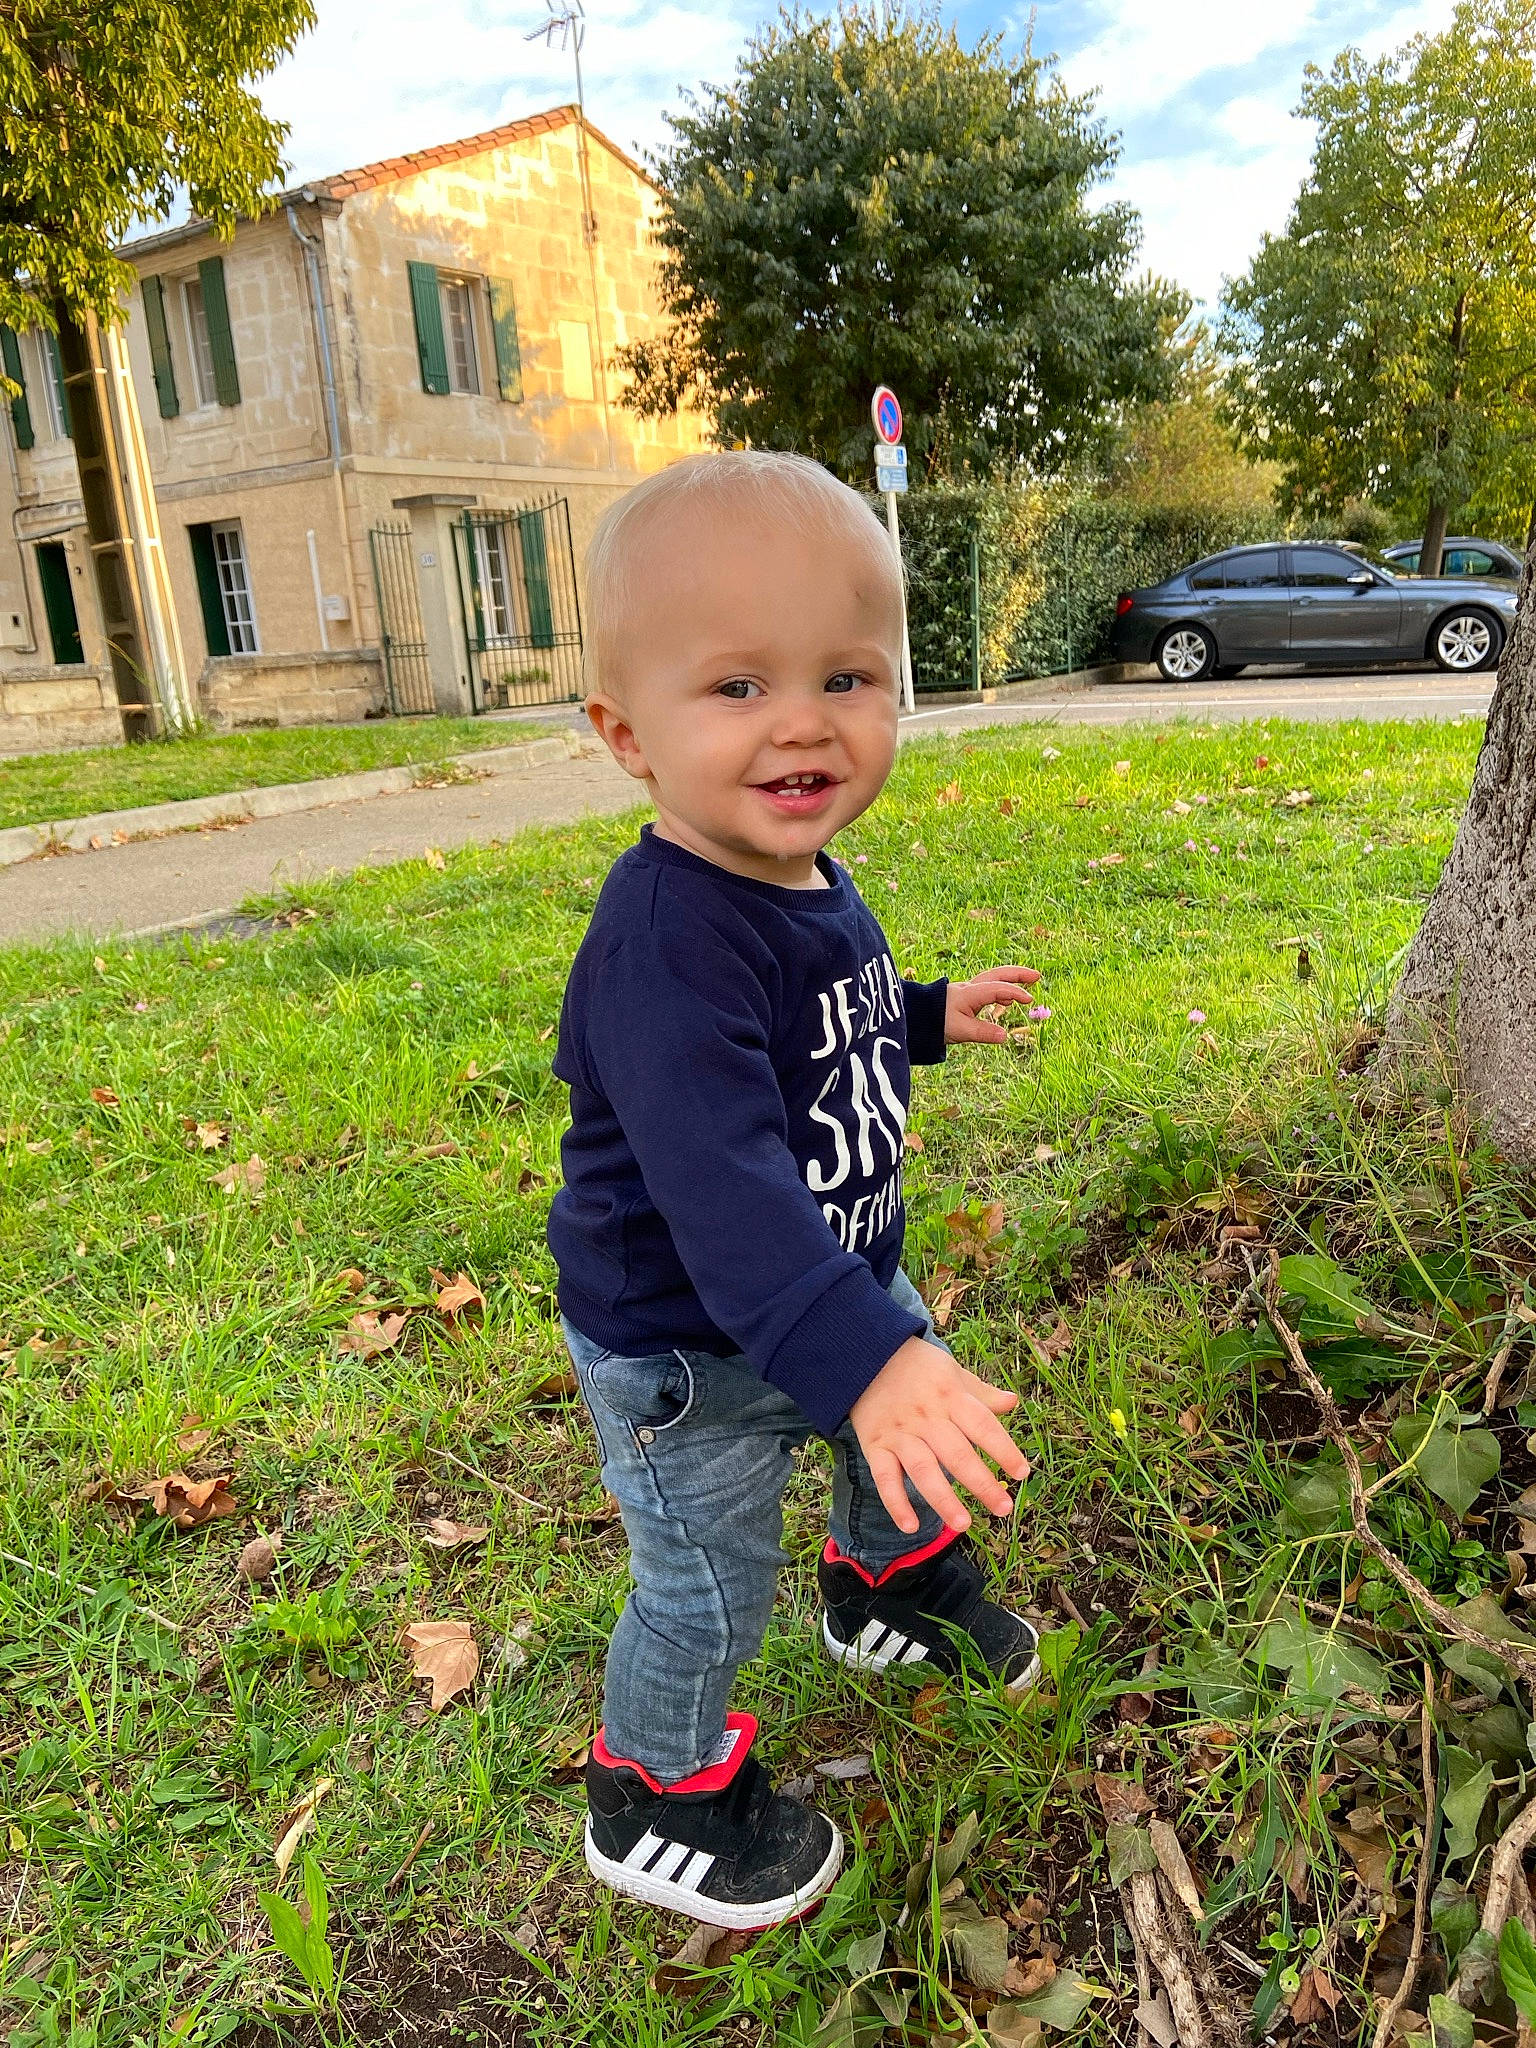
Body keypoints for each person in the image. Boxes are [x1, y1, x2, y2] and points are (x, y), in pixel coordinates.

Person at [549, 451, 1040, 1932]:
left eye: (848, 674)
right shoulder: (663, 940)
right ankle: (655, 1786)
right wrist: (868, 1355)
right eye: (739, 688)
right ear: (627, 735)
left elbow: (830, 1028)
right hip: (691, 1341)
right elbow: (726, 1184)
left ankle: (882, 1587)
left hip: (832, 1272)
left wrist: (928, 1012)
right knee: (705, 1587)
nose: (806, 723)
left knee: (892, 1423)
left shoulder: (809, 873)